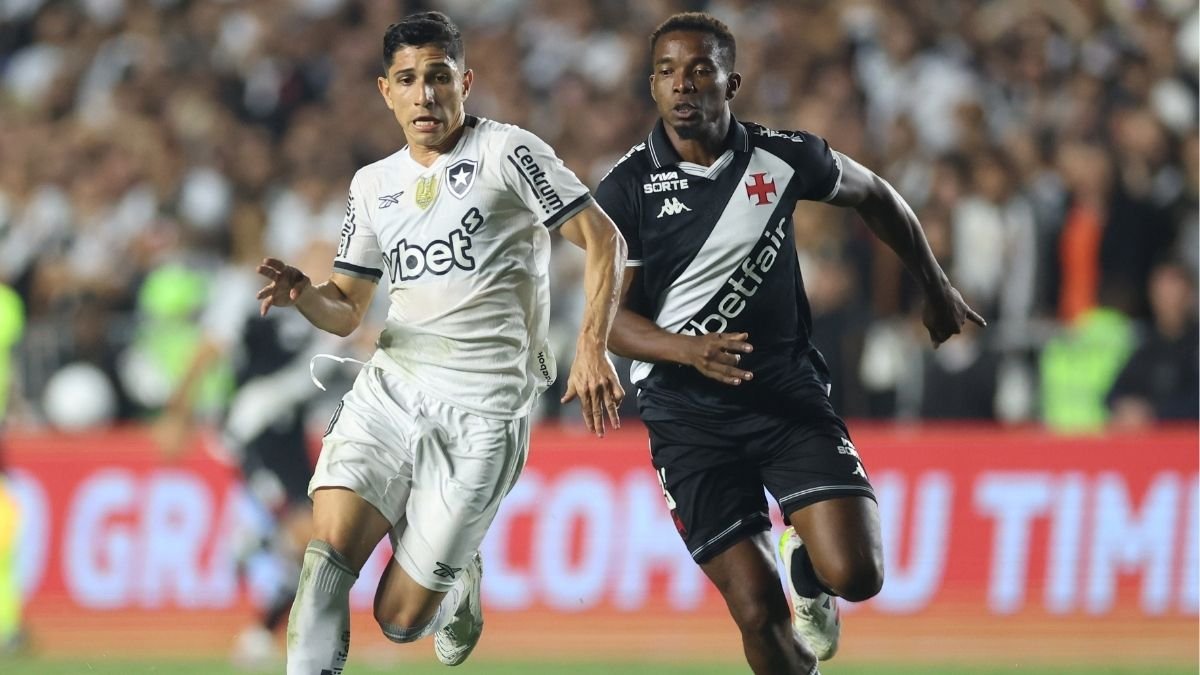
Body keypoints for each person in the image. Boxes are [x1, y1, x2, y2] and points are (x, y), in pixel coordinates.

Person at [597, 13, 983, 675]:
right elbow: (606, 319)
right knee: (754, 609)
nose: (683, 85)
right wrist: (685, 349)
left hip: (784, 394)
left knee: (858, 574)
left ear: (731, 81)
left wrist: (935, 284)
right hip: (687, 419)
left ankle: (809, 570)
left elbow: (879, 194)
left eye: (699, 70)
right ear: (652, 86)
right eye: (667, 72)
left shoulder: (782, 155)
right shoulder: (626, 190)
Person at [254, 12, 626, 674]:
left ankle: (458, 579)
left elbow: (604, 238)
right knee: (326, 560)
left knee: (399, 621)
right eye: (407, 79)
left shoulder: (508, 153)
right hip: (393, 384)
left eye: (438, 77)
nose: (424, 94)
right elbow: (347, 309)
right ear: (384, 90)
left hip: (486, 409)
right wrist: (306, 294)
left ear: (466, 81)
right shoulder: (373, 185)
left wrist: (592, 344)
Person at [152, 238, 344, 668]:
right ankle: (256, 546)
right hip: (256, 428)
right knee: (310, 537)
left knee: (320, 544)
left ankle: (262, 609)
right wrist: (177, 413)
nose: (328, 264)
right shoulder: (254, 297)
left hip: (291, 436)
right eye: (319, 256)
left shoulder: (332, 310)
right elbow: (209, 350)